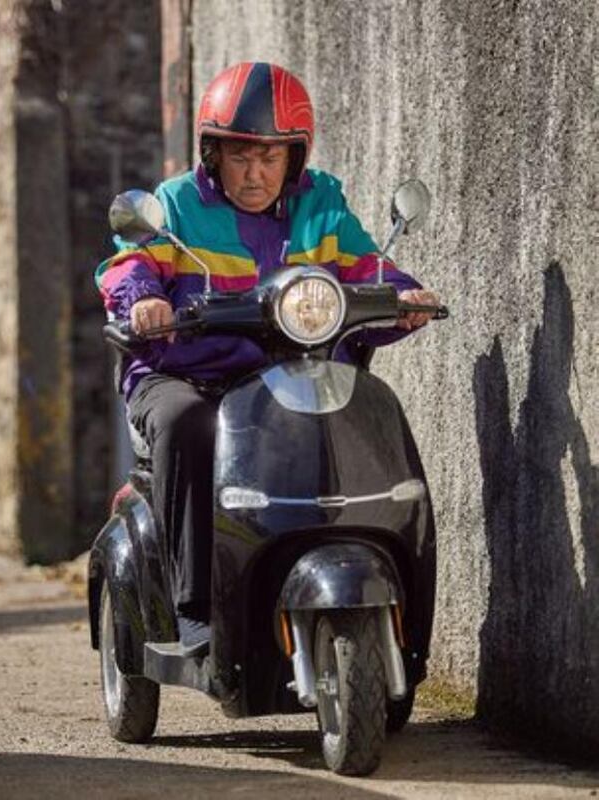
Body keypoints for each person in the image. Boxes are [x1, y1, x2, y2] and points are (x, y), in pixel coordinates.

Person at [95, 62, 438, 648]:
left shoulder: (322, 202)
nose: (254, 174)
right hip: (186, 374)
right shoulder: (175, 205)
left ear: (294, 158)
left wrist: (403, 292)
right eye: (239, 156)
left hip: (290, 371)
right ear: (212, 154)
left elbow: (362, 264)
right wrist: (146, 300)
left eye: (270, 157)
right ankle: (194, 603)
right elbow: (127, 265)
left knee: (360, 414)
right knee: (188, 424)